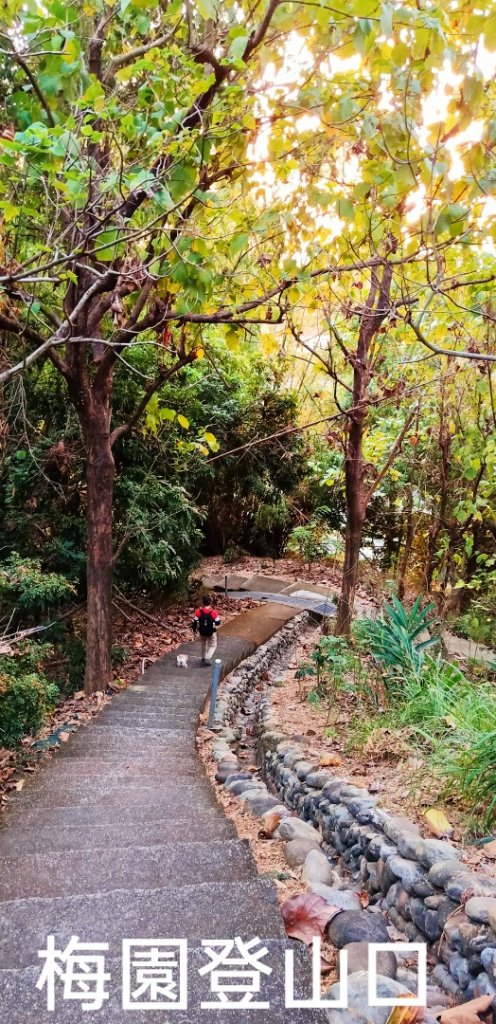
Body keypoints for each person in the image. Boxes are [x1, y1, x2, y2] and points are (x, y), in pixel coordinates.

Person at [192, 595, 221, 666]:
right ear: (210, 603)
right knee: (213, 645)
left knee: (203, 644)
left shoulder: (198, 612)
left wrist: (194, 630)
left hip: (202, 631)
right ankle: (208, 657)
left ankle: (203, 657)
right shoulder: (214, 612)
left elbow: (195, 622)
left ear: (203, 603)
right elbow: (218, 622)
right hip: (211, 631)